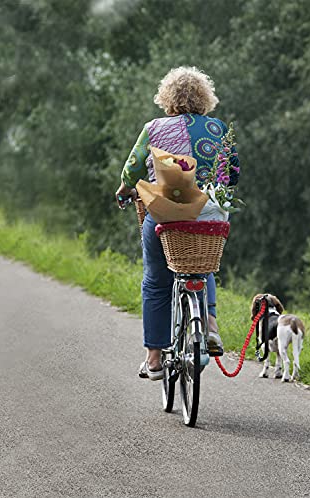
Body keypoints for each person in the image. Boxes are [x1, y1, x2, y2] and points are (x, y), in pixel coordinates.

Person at [115, 66, 240, 381]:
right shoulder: (218, 129)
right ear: (205, 99)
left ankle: (154, 358)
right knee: (203, 264)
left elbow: (132, 169)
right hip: (207, 220)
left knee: (156, 281)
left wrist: (125, 188)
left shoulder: (154, 128)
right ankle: (210, 325)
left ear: (167, 98)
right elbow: (233, 173)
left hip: (166, 219)